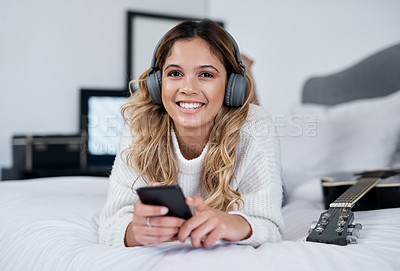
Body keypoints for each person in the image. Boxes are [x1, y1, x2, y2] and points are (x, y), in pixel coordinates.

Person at [98, 19, 284, 248]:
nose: (188, 88)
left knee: (287, 188)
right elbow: (110, 225)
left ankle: (248, 72)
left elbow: (270, 225)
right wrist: (133, 232)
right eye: (175, 73)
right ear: (158, 83)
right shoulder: (141, 123)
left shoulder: (256, 126)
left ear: (231, 86)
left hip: (259, 155)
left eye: (206, 74)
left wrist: (235, 224)